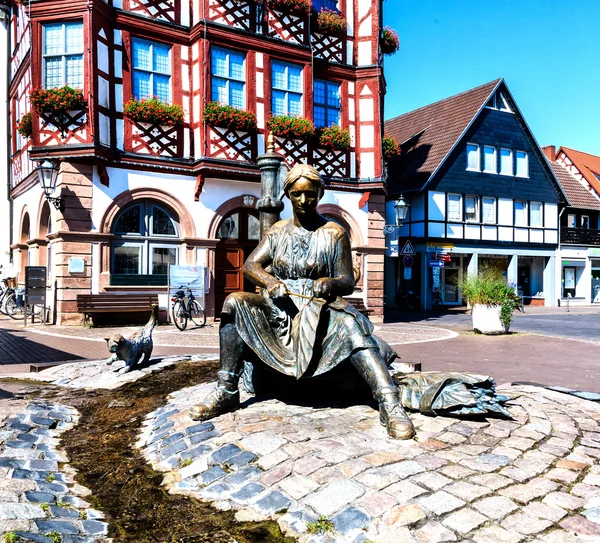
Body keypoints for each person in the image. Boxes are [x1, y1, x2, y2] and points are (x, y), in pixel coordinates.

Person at [190, 164, 414, 439]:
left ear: (319, 194)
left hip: (321, 308)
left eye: (310, 194)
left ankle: (389, 403)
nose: (304, 201)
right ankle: (226, 390)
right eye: (297, 194)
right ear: (288, 195)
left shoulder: (335, 233)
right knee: (235, 303)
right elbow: (250, 266)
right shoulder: (278, 232)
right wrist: (271, 283)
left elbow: (347, 280)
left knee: (349, 327)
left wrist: (330, 283)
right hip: (280, 307)